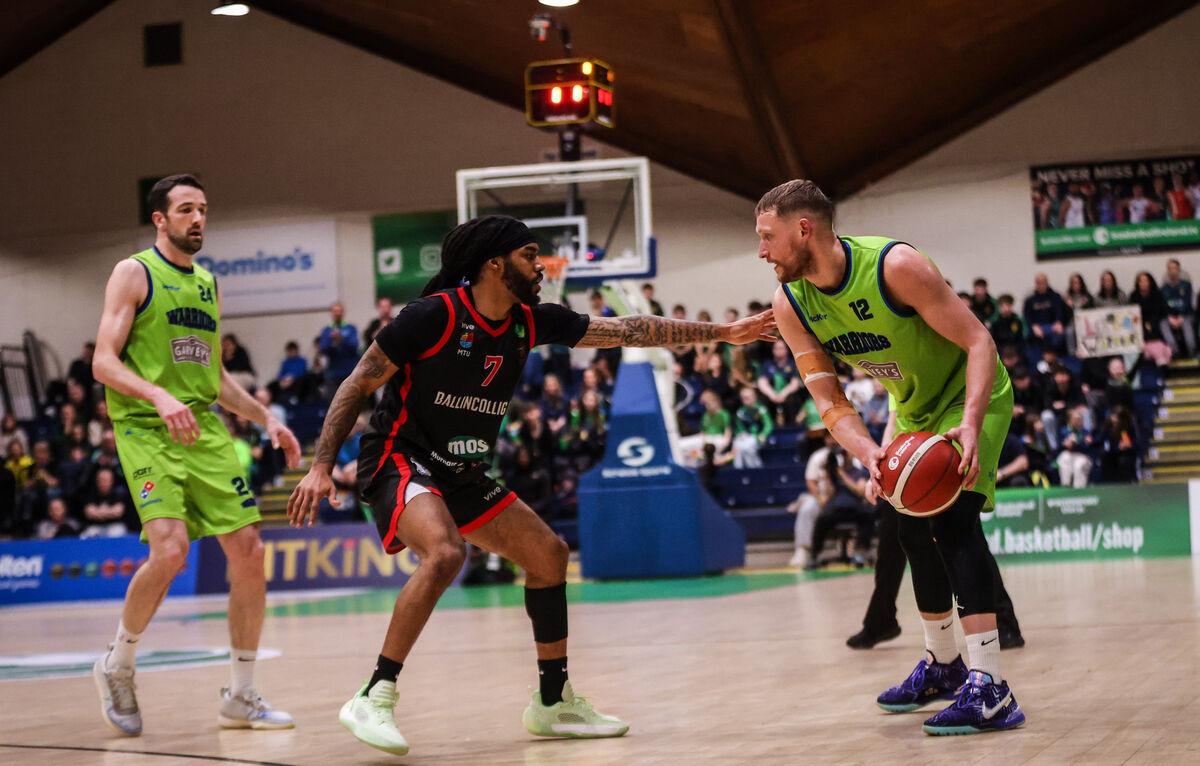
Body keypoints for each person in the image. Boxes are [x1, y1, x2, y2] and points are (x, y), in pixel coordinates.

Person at [286, 214, 774, 757]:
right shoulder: (433, 316)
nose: (541, 266)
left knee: (548, 554)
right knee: (445, 554)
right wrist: (321, 465)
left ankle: (552, 701)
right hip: (401, 457)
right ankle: (375, 692)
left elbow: (630, 329)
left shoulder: (530, 323)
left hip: (462, 471)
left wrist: (725, 333)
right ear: (495, 264)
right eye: (530, 255)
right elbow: (357, 384)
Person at [756, 179, 1024, 735]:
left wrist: (970, 423)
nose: (762, 251)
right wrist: (868, 452)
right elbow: (827, 397)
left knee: (952, 523)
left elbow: (979, 343)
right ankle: (944, 666)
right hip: (912, 408)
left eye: (767, 236)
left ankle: (992, 687)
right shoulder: (791, 303)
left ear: (803, 229)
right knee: (906, 531)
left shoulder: (895, 266)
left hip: (971, 393)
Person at [90, 174, 302, 737]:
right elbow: (104, 363)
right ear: (160, 219)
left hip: (202, 429)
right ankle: (118, 664)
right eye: (186, 210)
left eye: (203, 209)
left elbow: (215, 377)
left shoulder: (208, 284)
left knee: (251, 552)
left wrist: (267, 418)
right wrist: (158, 395)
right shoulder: (134, 273)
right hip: (145, 427)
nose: (198, 218)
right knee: (171, 551)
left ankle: (241, 693)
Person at [320, 301, 360, 399]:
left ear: (343, 312)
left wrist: (341, 339)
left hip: (349, 373)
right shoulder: (327, 330)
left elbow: (354, 346)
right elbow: (323, 349)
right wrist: (333, 343)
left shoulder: (351, 328)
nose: (337, 314)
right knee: (333, 404)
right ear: (331, 313)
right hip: (333, 373)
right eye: (335, 311)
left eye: (339, 311)